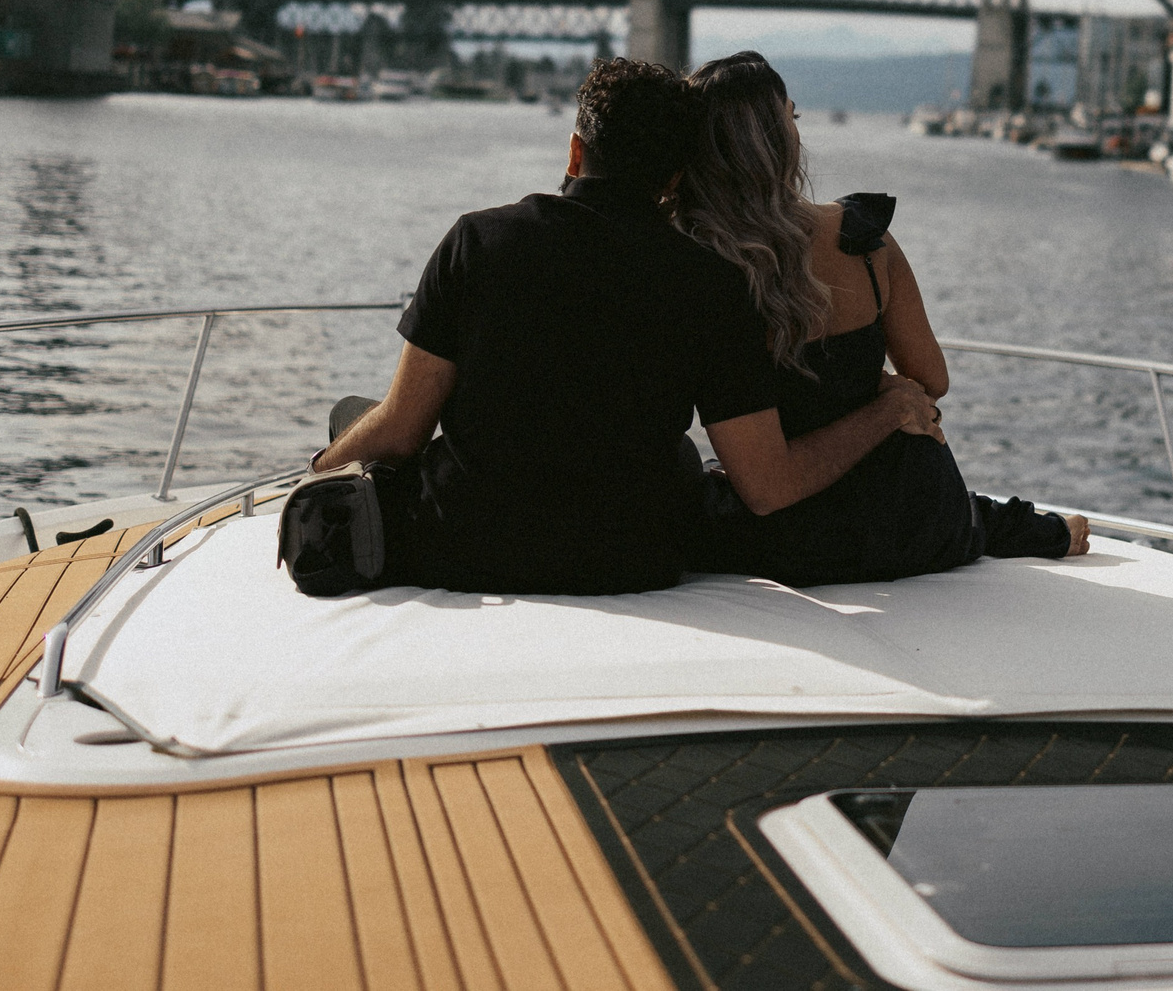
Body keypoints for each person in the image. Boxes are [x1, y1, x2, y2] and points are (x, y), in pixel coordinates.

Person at [313, 57, 943, 595]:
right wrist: (891, 408)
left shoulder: (479, 240)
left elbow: (399, 432)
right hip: (638, 560)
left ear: (575, 149)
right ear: (674, 173)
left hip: (463, 550)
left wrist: (317, 472)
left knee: (358, 420)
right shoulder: (712, 282)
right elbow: (767, 483)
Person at [674, 51, 1086, 586]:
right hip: (913, 523)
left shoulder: (699, 267)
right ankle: (1027, 527)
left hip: (797, 540)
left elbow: (764, 491)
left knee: (706, 493)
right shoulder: (865, 241)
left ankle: (1021, 525)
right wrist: (887, 401)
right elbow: (931, 381)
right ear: (778, 143)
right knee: (948, 504)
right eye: (791, 119)